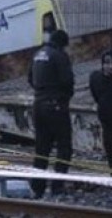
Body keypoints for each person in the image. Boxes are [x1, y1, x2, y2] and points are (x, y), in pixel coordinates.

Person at [28, 29, 74, 198]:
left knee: (42, 148)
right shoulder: (59, 56)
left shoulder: (37, 54)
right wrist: (64, 96)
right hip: (55, 107)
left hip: (38, 105)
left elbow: (30, 79)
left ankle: (37, 186)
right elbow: (67, 80)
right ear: (62, 44)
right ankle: (57, 186)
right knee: (64, 148)